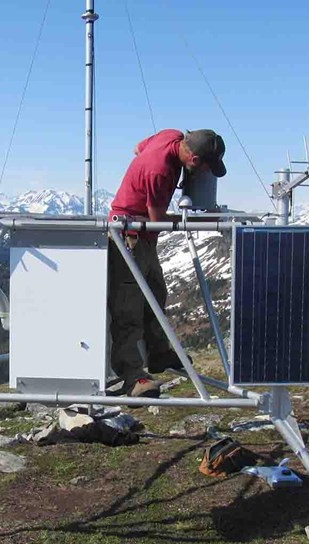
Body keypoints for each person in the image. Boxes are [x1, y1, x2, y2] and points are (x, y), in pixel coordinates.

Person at [108, 128, 226, 398]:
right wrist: (190, 220)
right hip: (130, 235)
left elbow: (139, 146)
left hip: (142, 235)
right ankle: (132, 376)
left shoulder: (170, 135)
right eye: (208, 167)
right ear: (194, 161)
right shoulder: (159, 171)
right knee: (129, 307)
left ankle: (159, 353)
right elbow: (157, 218)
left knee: (156, 293)